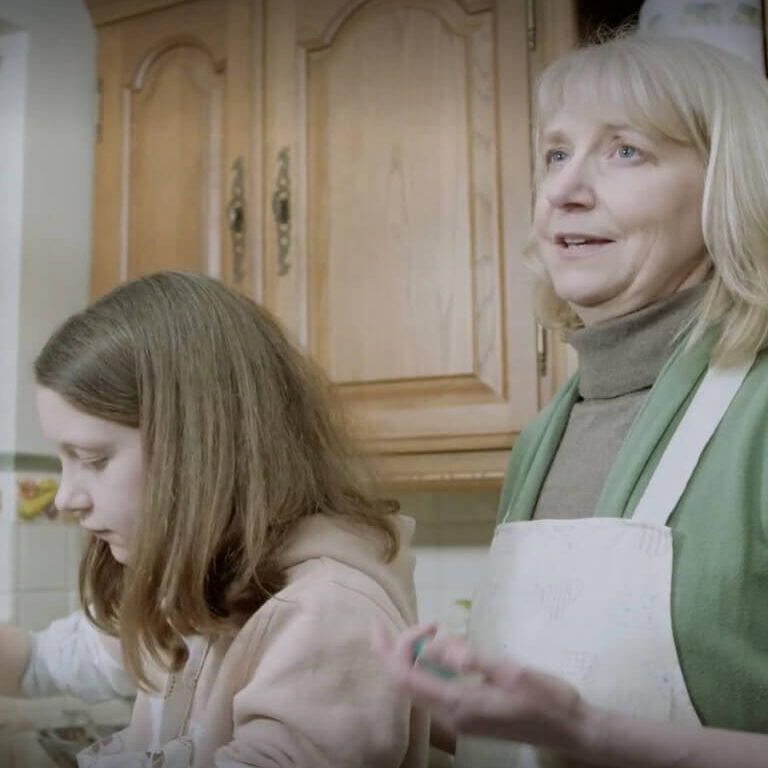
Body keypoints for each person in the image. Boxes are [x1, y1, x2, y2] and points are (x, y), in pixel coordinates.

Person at [374, 32, 768, 768]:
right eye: (556, 154)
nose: (564, 190)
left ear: (728, 185)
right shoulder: (541, 439)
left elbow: (584, 724)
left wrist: (588, 733)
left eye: (625, 151)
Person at [0, 271, 428, 767]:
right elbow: (45, 663)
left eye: (93, 459)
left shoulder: (328, 617)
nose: (68, 496)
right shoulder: (204, 587)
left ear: (201, 449)